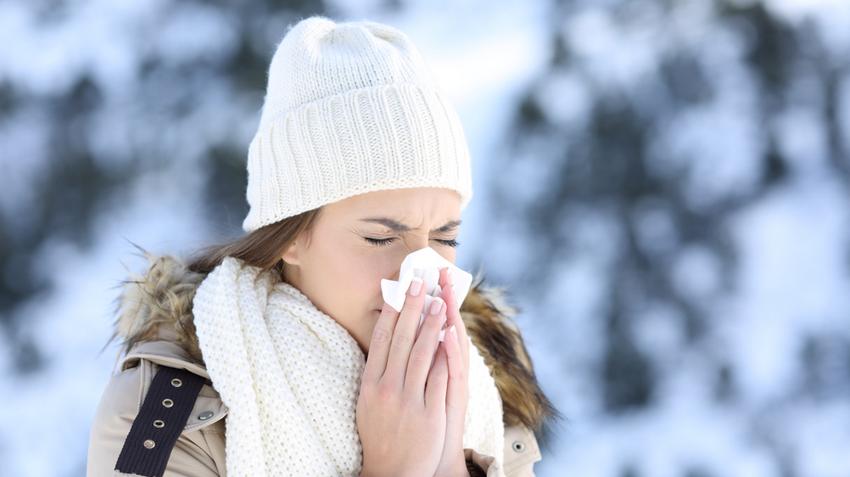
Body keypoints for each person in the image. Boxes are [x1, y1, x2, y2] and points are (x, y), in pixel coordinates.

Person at [86, 14, 559, 477]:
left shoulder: (482, 387)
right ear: (291, 236)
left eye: (445, 237)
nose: (425, 276)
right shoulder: (168, 412)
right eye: (382, 237)